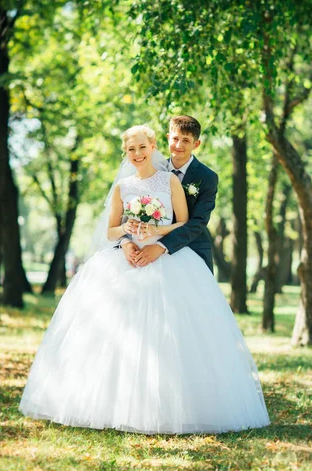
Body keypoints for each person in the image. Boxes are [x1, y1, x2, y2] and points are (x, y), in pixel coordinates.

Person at [19, 122, 270, 434]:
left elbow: (189, 222)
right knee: (116, 327)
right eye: (131, 149)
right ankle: (112, 401)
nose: (178, 145)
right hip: (127, 257)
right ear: (164, 142)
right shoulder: (124, 186)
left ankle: (178, 402)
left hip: (175, 256)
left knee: (178, 329)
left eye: (185, 140)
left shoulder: (188, 179)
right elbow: (113, 227)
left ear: (158, 147)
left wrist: (157, 239)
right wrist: (126, 238)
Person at [121, 116, 218, 272]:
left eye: (186, 140)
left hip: (190, 249)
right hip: (144, 248)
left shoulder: (207, 177)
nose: (179, 145)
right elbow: (127, 213)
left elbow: (198, 222)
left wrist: (161, 246)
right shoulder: (152, 169)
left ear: (196, 144)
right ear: (168, 138)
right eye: (175, 139)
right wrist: (125, 242)